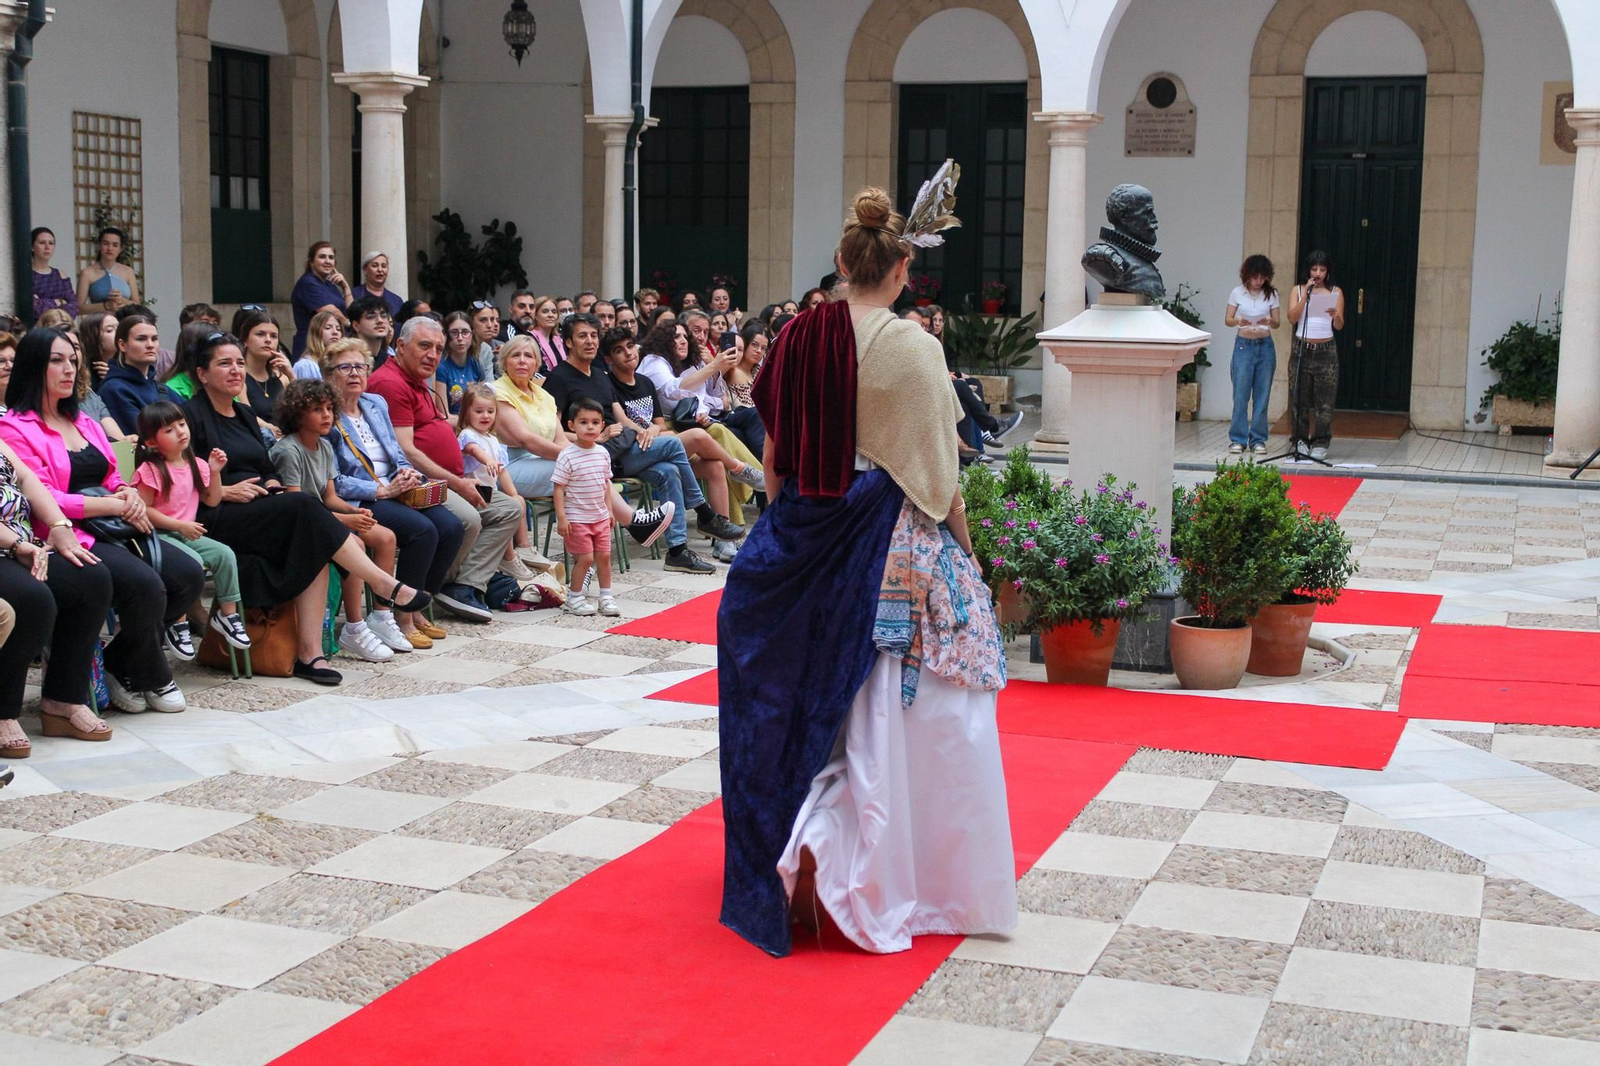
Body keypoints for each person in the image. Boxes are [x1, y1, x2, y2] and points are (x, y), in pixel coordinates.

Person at [718, 186, 1012, 958]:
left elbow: (775, 452)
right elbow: (937, 472)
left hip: (800, 531)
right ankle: (868, 863)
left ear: (842, 262)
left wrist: (784, 532)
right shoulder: (915, 346)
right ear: (902, 266)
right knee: (895, 711)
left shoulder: (795, 336)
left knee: (791, 694)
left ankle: (799, 849)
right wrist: (968, 554)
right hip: (883, 535)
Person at [182, 331, 432, 684]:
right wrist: (224, 491)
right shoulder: (191, 415)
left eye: (239, 362)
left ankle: (310, 656)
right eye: (224, 363)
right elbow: (179, 476)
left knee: (314, 538)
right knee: (304, 506)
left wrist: (269, 484)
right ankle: (383, 584)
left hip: (261, 508)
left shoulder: (242, 412)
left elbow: (267, 468)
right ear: (203, 373)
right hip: (215, 514)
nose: (236, 370)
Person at [1, 328, 205, 713]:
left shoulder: (83, 420)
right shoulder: (15, 426)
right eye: (56, 361)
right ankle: (156, 676)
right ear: (33, 367)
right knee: (146, 585)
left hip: (116, 523)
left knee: (188, 576)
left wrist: (126, 493)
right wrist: (112, 506)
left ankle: (119, 665)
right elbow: (46, 497)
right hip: (66, 531)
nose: (68, 369)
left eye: (72, 361)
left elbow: (111, 474)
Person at [546, 315, 738, 573]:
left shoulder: (600, 376)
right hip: (598, 455)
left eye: (593, 335)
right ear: (568, 342)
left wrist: (644, 431)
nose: (590, 341)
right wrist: (593, 438)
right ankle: (705, 514)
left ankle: (677, 551)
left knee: (670, 470)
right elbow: (553, 431)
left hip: (625, 446)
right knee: (673, 446)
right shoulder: (559, 377)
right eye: (582, 336)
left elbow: (622, 418)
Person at [368, 316, 522, 621]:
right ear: (400, 345)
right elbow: (405, 450)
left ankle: (463, 585)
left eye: (438, 348)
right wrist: (457, 483)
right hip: (418, 482)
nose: (433, 355)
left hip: (452, 477)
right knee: (466, 519)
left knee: (510, 508)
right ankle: (433, 589)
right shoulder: (390, 382)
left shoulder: (418, 381)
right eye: (424, 346)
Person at [324, 337, 461, 650]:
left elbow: (396, 452)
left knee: (451, 527)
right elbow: (334, 480)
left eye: (360, 366)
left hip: (398, 487)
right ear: (330, 374)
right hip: (363, 497)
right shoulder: (327, 416)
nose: (355, 373)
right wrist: (382, 489)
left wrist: (406, 472)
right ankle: (402, 614)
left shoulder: (375, 403)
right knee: (422, 531)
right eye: (345, 367)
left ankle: (418, 603)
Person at [490, 335, 670, 545]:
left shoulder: (542, 395)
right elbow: (525, 439)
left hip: (542, 459)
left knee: (588, 463)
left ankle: (602, 538)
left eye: (528, 356)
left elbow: (559, 438)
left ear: (537, 363)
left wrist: (583, 455)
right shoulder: (498, 391)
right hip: (507, 466)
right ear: (504, 361)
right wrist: (575, 456)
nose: (522, 360)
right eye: (515, 355)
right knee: (580, 468)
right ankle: (632, 523)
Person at [0, 432, 113, 754]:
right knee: (32, 599)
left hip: (22, 544)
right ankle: (3, 711)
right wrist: (17, 545)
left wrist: (59, 526)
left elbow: (25, 477)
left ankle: (63, 700)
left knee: (91, 579)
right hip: (9, 547)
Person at [270, 379, 395, 663]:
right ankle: (354, 626)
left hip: (322, 516)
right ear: (297, 414)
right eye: (317, 409)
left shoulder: (324, 447)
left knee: (385, 536)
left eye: (329, 408)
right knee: (356, 546)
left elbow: (329, 497)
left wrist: (354, 513)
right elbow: (296, 505)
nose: (327, 415)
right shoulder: (289, 451)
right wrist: (344, 521)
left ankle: (382, 615)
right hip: (298, 523)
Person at [605, 327, 756, 559]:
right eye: (619, 350)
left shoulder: (644, 382)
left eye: (629, 346)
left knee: (711, 465)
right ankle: (731, 479)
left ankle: (688, 549)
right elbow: (623, 422)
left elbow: (659, 424)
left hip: (653, 445)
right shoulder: (609, 384)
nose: (628, 353)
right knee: (697, 436)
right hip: (628, 453)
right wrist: (645, 431)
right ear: (608, 359)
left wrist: (653, 430)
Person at [133, 402, 251, 657]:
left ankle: (227, 616)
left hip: (186, 532)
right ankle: (178, 621)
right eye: (169, 430)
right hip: (160, 536)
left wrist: (215, 472)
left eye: (181, 424)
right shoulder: (150, 470)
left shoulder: (196, 464)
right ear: (152, 442)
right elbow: (145, 510)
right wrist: (179, 525)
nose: (180, 431)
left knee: (225, 554)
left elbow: (212, 499)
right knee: (193, 564)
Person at [553, 396, 618, 617]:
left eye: (595, 422)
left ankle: (606, 596)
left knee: (604, 557)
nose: (590, 427)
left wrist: (609, 510)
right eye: (583, 422)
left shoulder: (603, 453)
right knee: (586, 558)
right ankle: (574, 597)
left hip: (599, 516)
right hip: (577, 518)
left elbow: (605, 484)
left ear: (602, 425)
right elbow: (559, 488)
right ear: (571, 425)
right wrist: (562, 517)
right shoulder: (567, 455)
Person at [1285, 250, 1345, 460]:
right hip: (1302, 349)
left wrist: (1336, 315)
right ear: (1308, 270)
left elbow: (1339, 325)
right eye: (1314, 269)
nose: (1318, 273)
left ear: (1328, 272)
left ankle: (1321, 441)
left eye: (1322, 269)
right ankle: (1299, 441)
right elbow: (1292, 318)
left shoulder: (1335, 291)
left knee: (1324, 401)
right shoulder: (1299, 290)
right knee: (1299, 399)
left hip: (1325, 351)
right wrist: (1306, 297)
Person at [1225, 254, 1281, 455]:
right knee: (1240, 393)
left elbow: (1277, 322)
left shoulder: (1271, 294)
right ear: (1247, 276)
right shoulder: (1237, 293)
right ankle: (1238, 438)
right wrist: (1239, 320)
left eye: (1262, 277)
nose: (1258, 282)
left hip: (1264, 345)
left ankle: (1258, 438)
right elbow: (1228, 319)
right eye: (1255, 277)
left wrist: (1269, 321)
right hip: (1244, 345)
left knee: (1262, 394)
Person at [97, 315, 178, 436]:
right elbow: (146, 438)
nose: (150, 345)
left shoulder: (160, 388)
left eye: (154, 339)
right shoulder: (114, 390)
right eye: (141, 339)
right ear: (122, 345)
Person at [290, 241, 355, 358]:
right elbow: (331, 311)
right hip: (311, 347)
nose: (327, 261)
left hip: (330, 346)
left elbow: (352, 311)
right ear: (311, 262)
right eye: (322, 257)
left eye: (331, 257)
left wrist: (345, 288)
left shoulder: (330, 285)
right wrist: (350, 324)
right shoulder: (308, 283)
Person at [234, 307, 294, 430]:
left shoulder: (283, 379)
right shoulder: (238, 377)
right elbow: (247, 415)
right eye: (260, 334)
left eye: (273, 336)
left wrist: (292, 375)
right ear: (245, 340)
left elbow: (304, 411)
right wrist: (270, 428)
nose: (268, 340)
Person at [75, 228, 140, 314]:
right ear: (99, 246)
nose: (110, 248)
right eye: (106, 244)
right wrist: (106, 305)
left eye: (115, 245)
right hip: (99, 322)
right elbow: (78, 308)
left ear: (120, 249)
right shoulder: (87, 273)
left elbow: (137, 305)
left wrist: (123, 301)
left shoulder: (128, 271)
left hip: (124, 322)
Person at [435, 311, 485, 415]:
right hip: (453, 425)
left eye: (465, 332)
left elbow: (483, 403)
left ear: (472, 334)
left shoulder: (476, 364)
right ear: (446, 336)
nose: (460, 338)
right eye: (454, 332)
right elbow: (444, 415)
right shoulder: (441, 366)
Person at [30, 227, 77, 320]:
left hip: (62, 327)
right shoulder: (27, 275)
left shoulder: (61, 275)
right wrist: (59, 302)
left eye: (51, 243)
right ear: (32, 246)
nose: (47, 247)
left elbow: (73, 308)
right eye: (42, 243)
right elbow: (35, 309)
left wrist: (43, 302)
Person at [348, 295, 394, 370]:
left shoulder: (388, 360)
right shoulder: (346, 359)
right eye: (371, 317)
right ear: (356, 326)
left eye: (383, 315)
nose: (380, 320)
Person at [296, 309, 346, 380]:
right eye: (328, 328)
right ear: (316, 333)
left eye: (338, 329)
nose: (335, 332)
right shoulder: (307, 366)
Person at [76, 312, 116, 389]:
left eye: (119, 327)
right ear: (94, 337)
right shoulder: (84, 371)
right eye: (110, 330)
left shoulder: (127, 364)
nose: (119, 332)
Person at [359, 252, 404, 318]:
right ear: (365, 270)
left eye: (384, 266)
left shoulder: (396, 301)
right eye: (374, 266)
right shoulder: (354, 294)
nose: (380, 270)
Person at [530, 295, 566, 373]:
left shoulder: (560, 339)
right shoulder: (530, 338)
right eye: (545, 311)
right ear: (535, 315)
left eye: (554, 312)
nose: (551, 315)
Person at [470, 300, 501, 379]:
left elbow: (489, 385)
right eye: (483, 320)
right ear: (471, 323)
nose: (490, 325)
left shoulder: (486, 350)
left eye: (492, 319)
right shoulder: (462, 347)